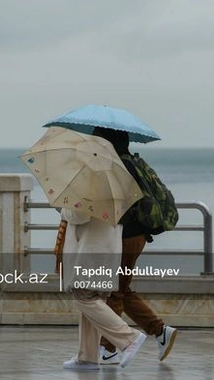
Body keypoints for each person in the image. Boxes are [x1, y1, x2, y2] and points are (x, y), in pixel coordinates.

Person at [91, 127, 178, 364]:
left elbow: (118, 207)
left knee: (114, 291)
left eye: (97, 139)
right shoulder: (131, 162)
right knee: (122, 288)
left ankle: (108, 348)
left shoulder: (120, 167)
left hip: (126, 236)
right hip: (135, 235)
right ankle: (160, 331)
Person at [61, 206, 146, 370]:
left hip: (90, 250)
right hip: (106, 247)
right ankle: (87, 357)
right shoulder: (113, 185)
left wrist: (64, 210)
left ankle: (129, 339)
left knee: (84, 298)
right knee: (93, 300)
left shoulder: (90, 183)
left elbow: (79, 214)